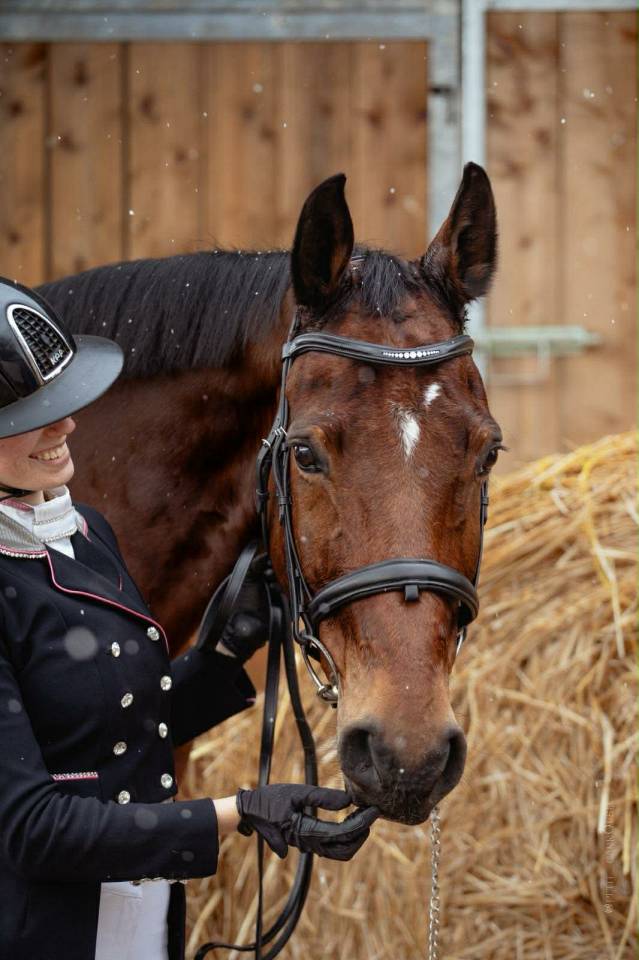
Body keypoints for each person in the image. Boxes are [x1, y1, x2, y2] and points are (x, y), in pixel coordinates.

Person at [0, 277, 376, 960]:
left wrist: (225, 653)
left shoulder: (81, 529)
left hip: (141, 919)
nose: (66, 424)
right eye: (29, 413)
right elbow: (31, 829)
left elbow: (108, 730)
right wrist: (234, 814)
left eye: (63, 400)